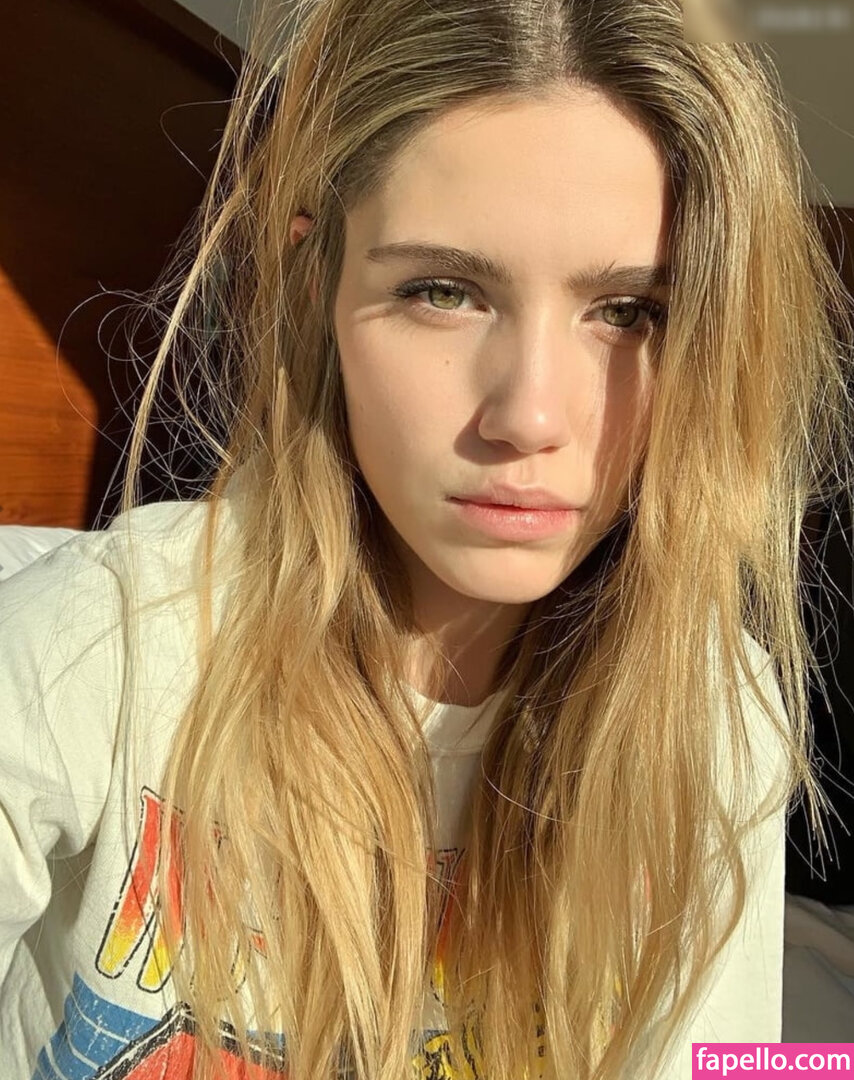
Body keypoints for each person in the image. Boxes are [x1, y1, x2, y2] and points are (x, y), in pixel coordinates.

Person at [1, 0, 852, 1077]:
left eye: (628, 311)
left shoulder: (712, 716)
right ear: (315, 285)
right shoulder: (94, 654)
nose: (528, 416)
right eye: (442, 292)